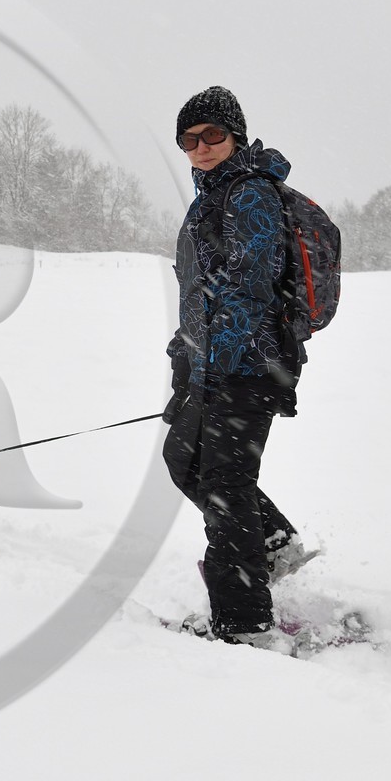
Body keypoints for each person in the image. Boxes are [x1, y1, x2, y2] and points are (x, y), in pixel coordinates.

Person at [162, 87, 314, 653]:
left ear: (236, 137)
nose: (200, 147)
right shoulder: (210, 198)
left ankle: (243, 622)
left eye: (212, 135)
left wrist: (217, 365)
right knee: (186, 459)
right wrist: (185, 357)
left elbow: (250, 287)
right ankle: (272, 543)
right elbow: (200, 293)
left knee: (225, 488)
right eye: (189, 139)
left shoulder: (250, 195)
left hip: (249, 365)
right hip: (215, 364)